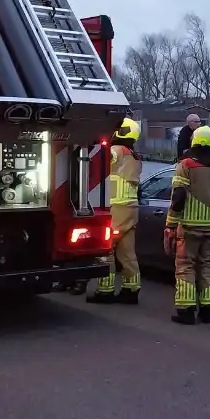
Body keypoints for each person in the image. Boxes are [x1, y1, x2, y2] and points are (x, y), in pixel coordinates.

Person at [164, 126, 210, 325]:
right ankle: (207, 311)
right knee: (208, 266)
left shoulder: (185, 165)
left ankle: (185, 312)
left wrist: (170, 225)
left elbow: (178, 197)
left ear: (194, 142)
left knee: (185, 267)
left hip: (188, 228)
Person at [87, 117, 143, 304]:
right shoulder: (135, 156)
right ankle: (131, 289)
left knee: (106, 250)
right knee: (128, 253)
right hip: (131, 210)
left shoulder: (115, 151)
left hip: (115, 209)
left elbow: (96, 162)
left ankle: (105, 291)